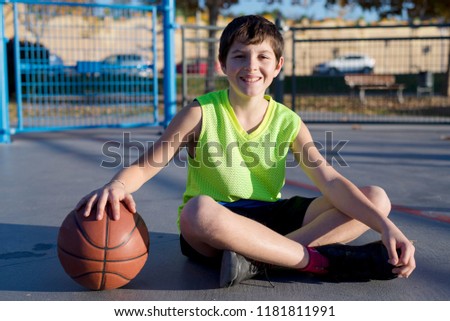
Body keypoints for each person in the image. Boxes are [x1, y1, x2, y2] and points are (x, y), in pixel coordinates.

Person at [76, 15, 415, 287]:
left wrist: (387, 227)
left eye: (263, 56)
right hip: (219, 226)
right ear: (223, 63)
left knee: (376, 198)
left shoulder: (288, 121)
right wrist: (118, 185)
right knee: (197, 212)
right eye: (240, 55)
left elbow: (330, 180)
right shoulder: (200, 113)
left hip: (271, 219)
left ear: (278, 66)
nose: (251, 65)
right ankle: (320, 262)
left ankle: (258, 261)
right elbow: (147, 165)